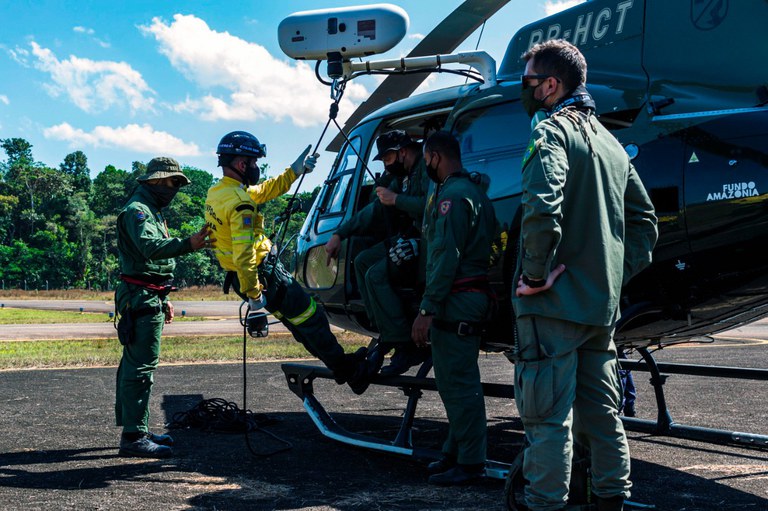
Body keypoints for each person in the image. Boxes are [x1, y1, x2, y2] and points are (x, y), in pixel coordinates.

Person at [512, 39, 658, 511]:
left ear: (551, 85)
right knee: (603, 417)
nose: (526, 90)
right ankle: (611, 501)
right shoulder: (611, 144)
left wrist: (535, 277)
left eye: (530, 81)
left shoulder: (551, 133)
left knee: (548, 420)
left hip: (553, 309)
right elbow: (645, 222)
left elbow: (541, 207)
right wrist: (611, 276)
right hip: (600, 310)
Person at [205, 131, 372, 393]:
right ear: (241, 165)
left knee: (299, 323)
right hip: (264, 276)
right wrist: (254, 292)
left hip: (244, 277)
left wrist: (295, 171)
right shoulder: (240, 203)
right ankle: (349, 371)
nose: (256, 168)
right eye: (254, 163)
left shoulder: (219, 193)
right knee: (311, 317)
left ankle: (342, 366)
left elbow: (265, 190)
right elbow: (244, 254)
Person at [411, 131, 496, 486]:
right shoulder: (473, 191)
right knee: (451, 382)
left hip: (457, 300)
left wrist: (427, 309)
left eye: (425, 160)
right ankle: (454, 451)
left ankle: (472, 462)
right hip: (465, 297)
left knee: (460, 386)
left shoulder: (453, 197)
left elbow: (446, 256)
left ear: (433, 157)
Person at [115, 157, 213, 458]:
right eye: (173, 183)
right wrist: (188, 244)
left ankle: (137, 429)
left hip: (148, 294)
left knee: (134, 365)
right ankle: (133, 437)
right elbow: (150, 249)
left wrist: (164, 297)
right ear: (156, 181)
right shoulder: (138, 212)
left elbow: (152, 264)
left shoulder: (152, 211)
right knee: (140, 369)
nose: (176, 190)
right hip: (140, 296)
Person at [325, 130, 431, 376]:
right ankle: (386, 330)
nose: (386, 165)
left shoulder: (425, 169)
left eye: (387, 159)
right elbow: (373, 209)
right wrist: (340, 234)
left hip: (425, 239)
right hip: (409, 236)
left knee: (375, 275)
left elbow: (430, 207)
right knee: (361, 261)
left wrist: (396, 200)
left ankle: (404, 343)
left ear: (402, 152)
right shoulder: (403, 175)